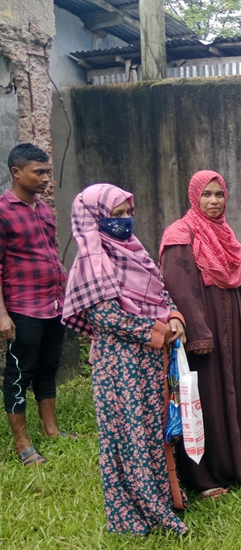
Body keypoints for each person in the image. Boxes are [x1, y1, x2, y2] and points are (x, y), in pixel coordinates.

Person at [62, 183, 188, 535]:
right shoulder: (91, 259)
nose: (123, 221)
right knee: (126, 434)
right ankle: (131, 514)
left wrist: (175, 316)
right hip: (119, 365)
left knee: (151, 431)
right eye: (114, 215)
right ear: (93, 218)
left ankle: (161, 502)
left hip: (151, 362)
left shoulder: (135, 251)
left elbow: (161, 293)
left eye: (126, 213)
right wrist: (156, 331)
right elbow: (103, 316)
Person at [159, 170, 241, 499]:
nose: (213, 201)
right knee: (205, 398)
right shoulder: (180, 234)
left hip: (231, 330)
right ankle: (204, 476)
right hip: (202, 336)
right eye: (206, 194)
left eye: (218, 194)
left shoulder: (224, 233)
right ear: (194, 196)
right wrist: (199, 336)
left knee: (236, 391)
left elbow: (238, 283)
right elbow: (179, 289)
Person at [1, 143, 68, 467]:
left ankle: (52, 429)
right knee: (19, 373)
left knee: (48, 368)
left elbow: (52, 254)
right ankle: (23, 444)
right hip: (23, 307)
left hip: (54, 304)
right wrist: (2, 314)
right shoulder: (2, 211)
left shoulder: (44, 208)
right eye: (38, 172)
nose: (45, 178)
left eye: (47, 171)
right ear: (17, 173)